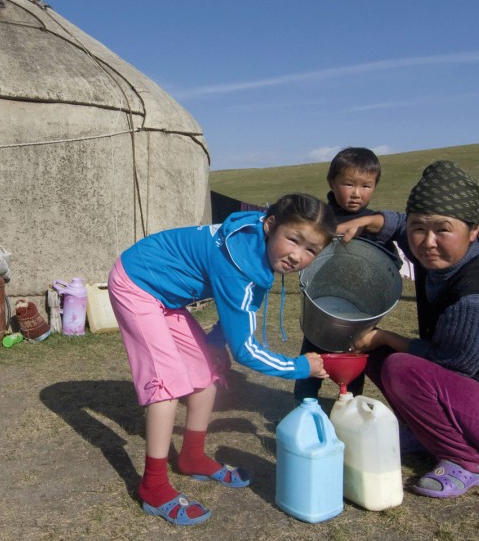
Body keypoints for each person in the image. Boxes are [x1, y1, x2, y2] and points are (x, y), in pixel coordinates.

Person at [108, 193, 335, 526]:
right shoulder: (239, 267)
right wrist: (302, 367)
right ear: (271, 225)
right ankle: (153, 486)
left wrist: (214, 343)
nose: (297, 256)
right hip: (137, 282)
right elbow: (245, 351)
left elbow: (235, 317)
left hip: (166, 294)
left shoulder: (255, 244)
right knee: (167, 385)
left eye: (311, 249)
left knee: (207, 373)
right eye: (293, 240)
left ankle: (192, 456)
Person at [350, 160, 479, 498]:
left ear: (473, 230)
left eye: (442, 230)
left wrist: (385, 336)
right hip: (473, 394)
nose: (427, 241)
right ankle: (425, 431)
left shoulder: (477, 299)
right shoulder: (442, 254)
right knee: (377, 355)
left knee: (399, 365)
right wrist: (369, 220)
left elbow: (447, 364)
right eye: (419, 229)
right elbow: (404, 224)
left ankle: (467, 460)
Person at [293, 147, 405, 401]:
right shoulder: (320, 217)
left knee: (354, 366)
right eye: (348, 184)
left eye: (366, 186)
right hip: (320, 307)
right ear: (332, 182)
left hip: (358, 314)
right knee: (311, 361)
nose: (356, 193)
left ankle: (351, 406)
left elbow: (389, 264)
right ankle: (304, 406)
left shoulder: (374, 223)